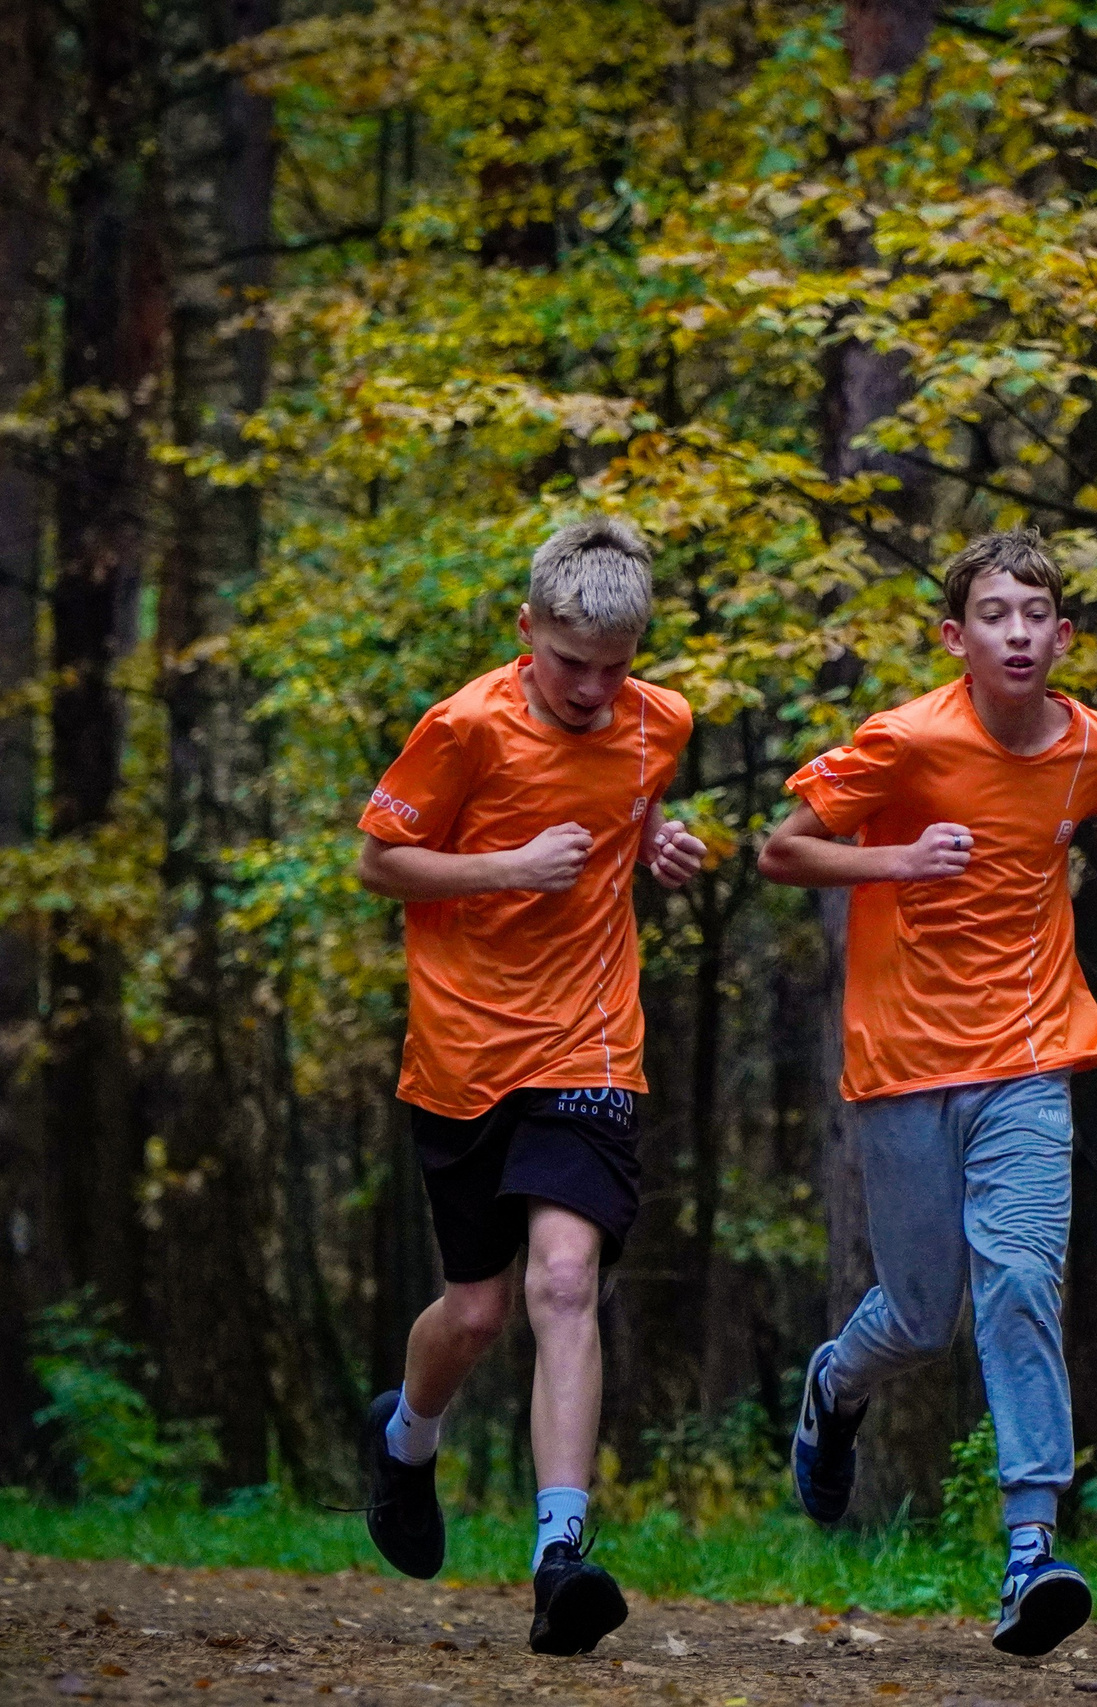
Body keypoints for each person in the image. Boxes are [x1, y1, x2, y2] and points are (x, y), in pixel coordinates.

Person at [757, 529, 1097, 1658]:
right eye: (993, 615)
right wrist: (897, 860)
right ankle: (836, 1383)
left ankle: (1032, 1548)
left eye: (1035, 616)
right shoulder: (906, 740)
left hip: (1031, 1050)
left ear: (1062, 636)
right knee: (922, 1315)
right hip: (903, 1060)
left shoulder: (1093, 744)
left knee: (1022, 1279)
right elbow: (782, 852)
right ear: (956, 637)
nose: (1017, 634)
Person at [351, 517, 703, 1657]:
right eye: (570, 663)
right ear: (526, 630)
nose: (595, 689)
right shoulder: (463, 727)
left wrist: (659, 846)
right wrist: (509, 865)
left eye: (616, 666)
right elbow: (378, 862)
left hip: (588, 1044)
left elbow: (630, 810)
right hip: (461, 1054)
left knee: (562, 1279)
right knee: (476, 1312)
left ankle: (561, 1557)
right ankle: (406, 1438)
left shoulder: (661, 721)